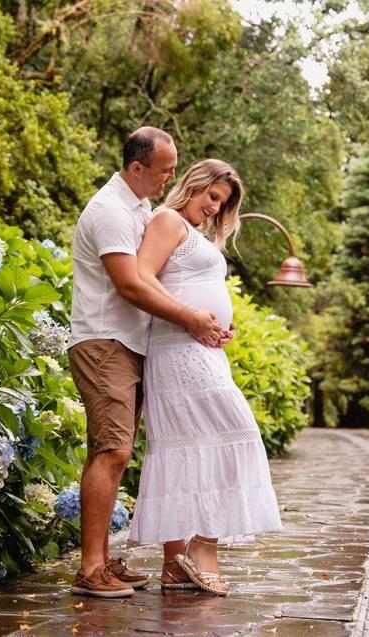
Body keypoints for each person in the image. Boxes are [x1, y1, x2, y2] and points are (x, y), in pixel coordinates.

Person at [67, 128, 230, 598]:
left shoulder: (138, 208)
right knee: (112, 450)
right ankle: (90, 569)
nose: (170, 179)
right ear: (137, 167)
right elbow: (132, 286)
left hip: (132, 344)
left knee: (115, 451)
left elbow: (165, 278)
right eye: (164, 171)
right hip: (104, 341)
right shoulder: (110, 212)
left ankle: (101, 561)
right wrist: (192, 319)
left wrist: (208, 322)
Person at [128, 159, 282, 596]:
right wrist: (193, 317)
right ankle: (202, 549)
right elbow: (141, 277)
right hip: (176, 348)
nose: (215, 207)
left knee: (190, 445)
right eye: (212, 196)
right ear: (192, 185)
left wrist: (217, 325)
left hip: (201, 347)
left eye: (224, 202)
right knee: (234, 431)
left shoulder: (195, 234)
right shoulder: (167, 219)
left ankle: (175, 566)